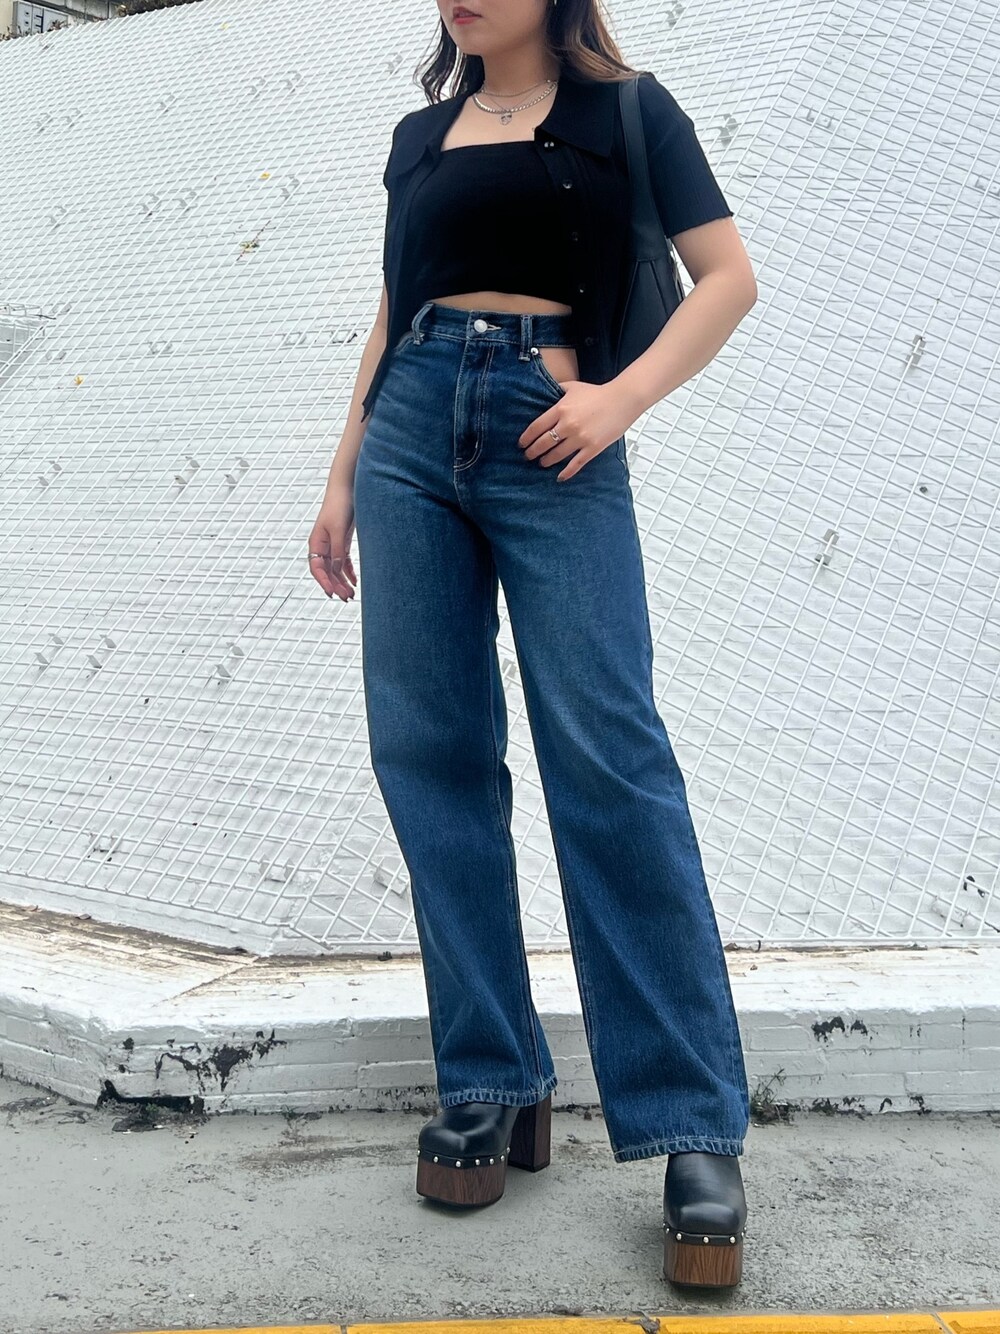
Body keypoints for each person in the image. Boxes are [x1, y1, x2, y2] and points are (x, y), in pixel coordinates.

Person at [308, 0, 759, 1290]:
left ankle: (690, 1123)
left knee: (610, 761)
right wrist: (342, 475)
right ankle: (490, 1077)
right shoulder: (420, 138)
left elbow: (727, 279)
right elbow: (393, 311)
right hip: (409, 436)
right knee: (430, 757)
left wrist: (618, 402)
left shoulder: (630, 111)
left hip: (552, 428)